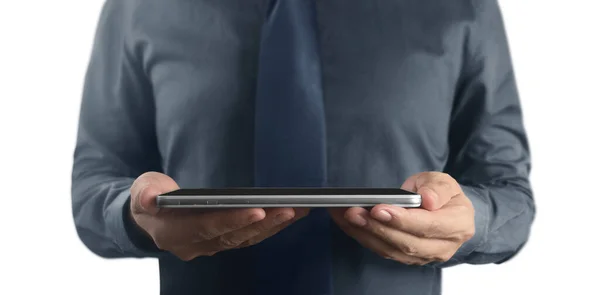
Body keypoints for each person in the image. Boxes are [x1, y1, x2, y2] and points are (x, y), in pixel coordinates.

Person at [71, 0, 535, 294]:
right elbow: (94, 189)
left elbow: (509, 192)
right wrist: (135, 215)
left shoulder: (462, 6)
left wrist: (470, 220)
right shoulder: (139, 7)